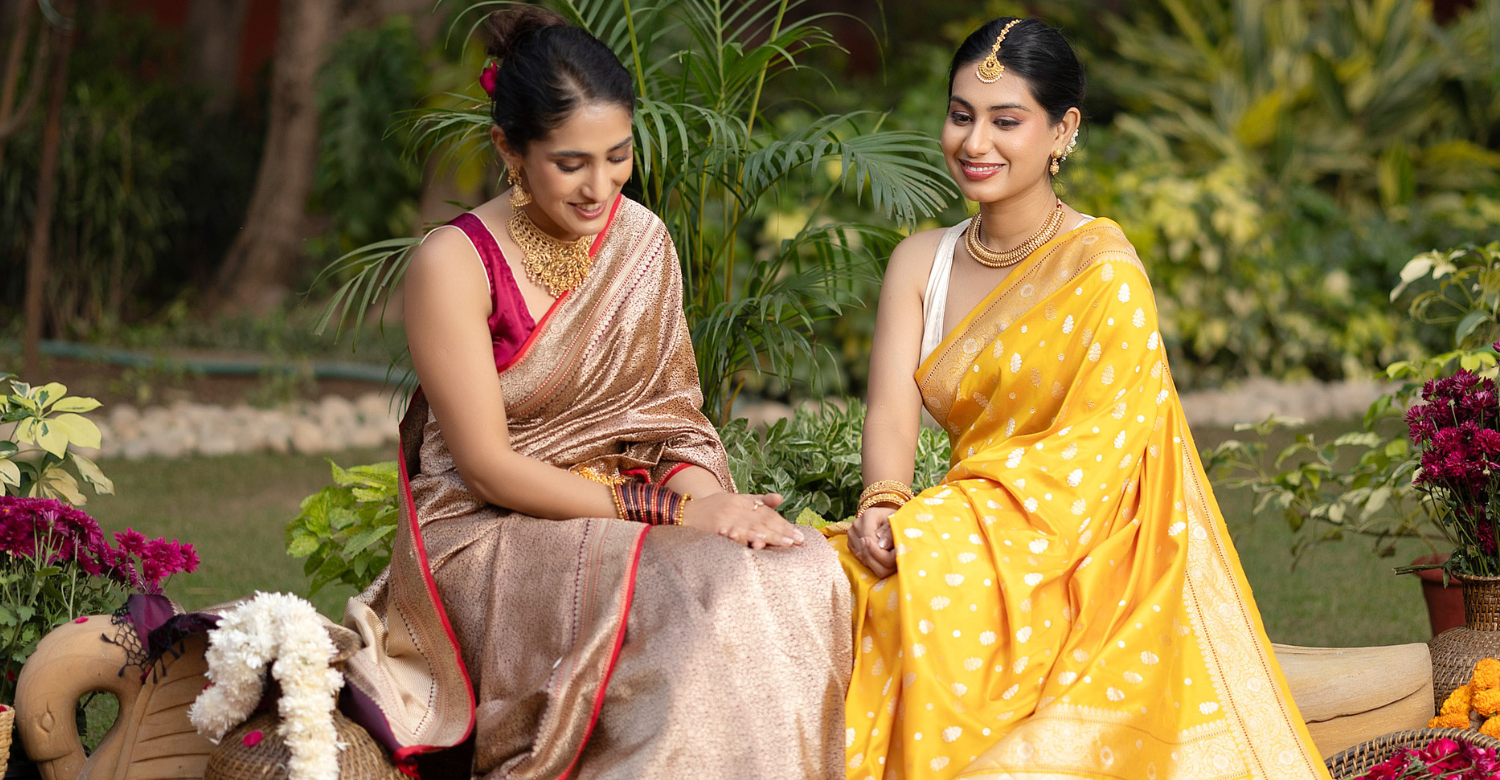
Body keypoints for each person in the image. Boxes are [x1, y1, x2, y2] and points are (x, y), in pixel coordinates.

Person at [340, 8, 851, 778]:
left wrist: (720, 511)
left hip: (633, 510)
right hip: (493, 530)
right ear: (509, 149)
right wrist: (677, 518)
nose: (600, 186)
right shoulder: (454, 264)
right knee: (687, 583)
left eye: (618, 157)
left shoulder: (640, 239)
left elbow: (670, 423)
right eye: (571, 163)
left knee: (795, 568)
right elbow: (486, 468)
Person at [829, 17, 1330, 779]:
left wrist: (949, 525)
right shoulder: (920, 262)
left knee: (920, 603)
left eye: (1006, 121)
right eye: (961, 115)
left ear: (1063, 130)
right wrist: (886, 501)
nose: (975, 143)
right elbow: (890, 413)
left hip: (1078, 546)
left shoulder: (1102, 271)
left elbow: (1095, 460)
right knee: (829, 584)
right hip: (962, 526)